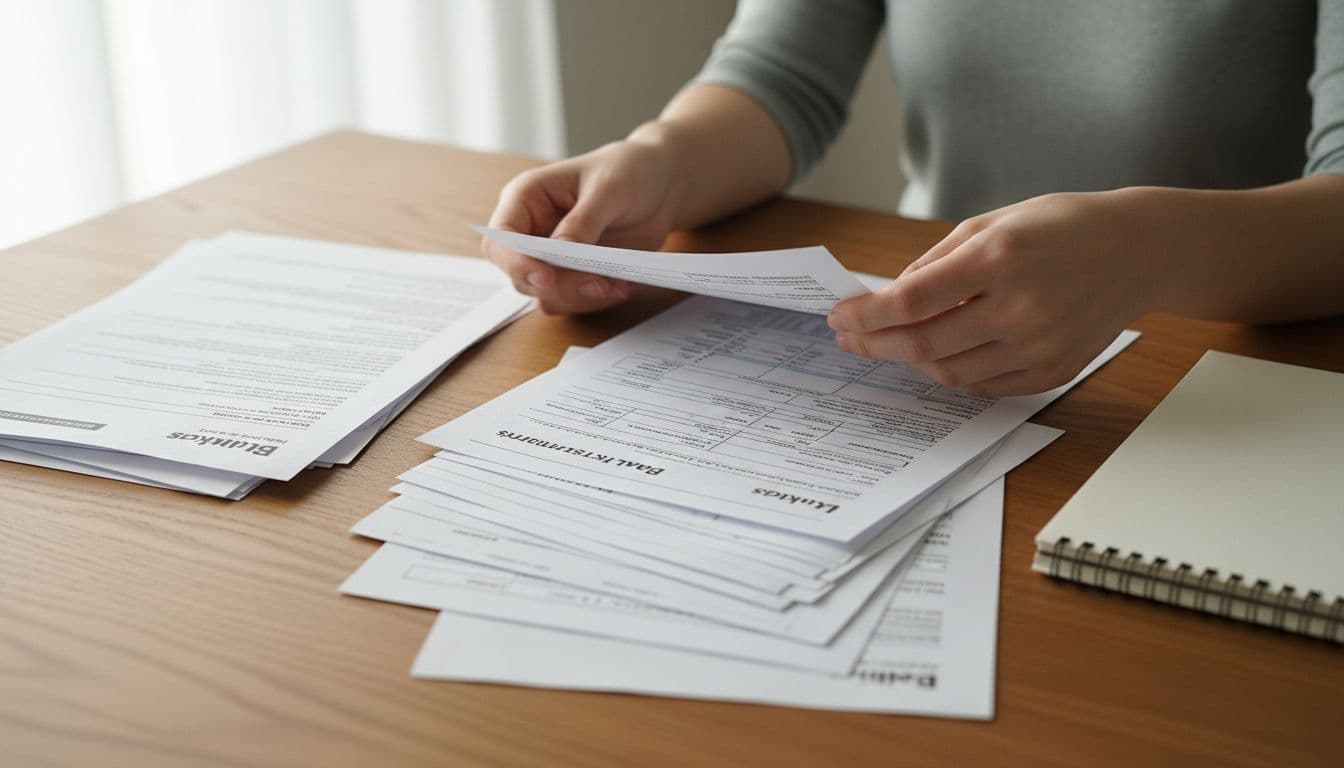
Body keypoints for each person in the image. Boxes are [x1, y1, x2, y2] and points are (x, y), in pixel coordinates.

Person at [483, 1, 1344, 397]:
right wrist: (656, 160)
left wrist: (1147, 252)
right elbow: (780, 76)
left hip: (1219, 382)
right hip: (937, 359)